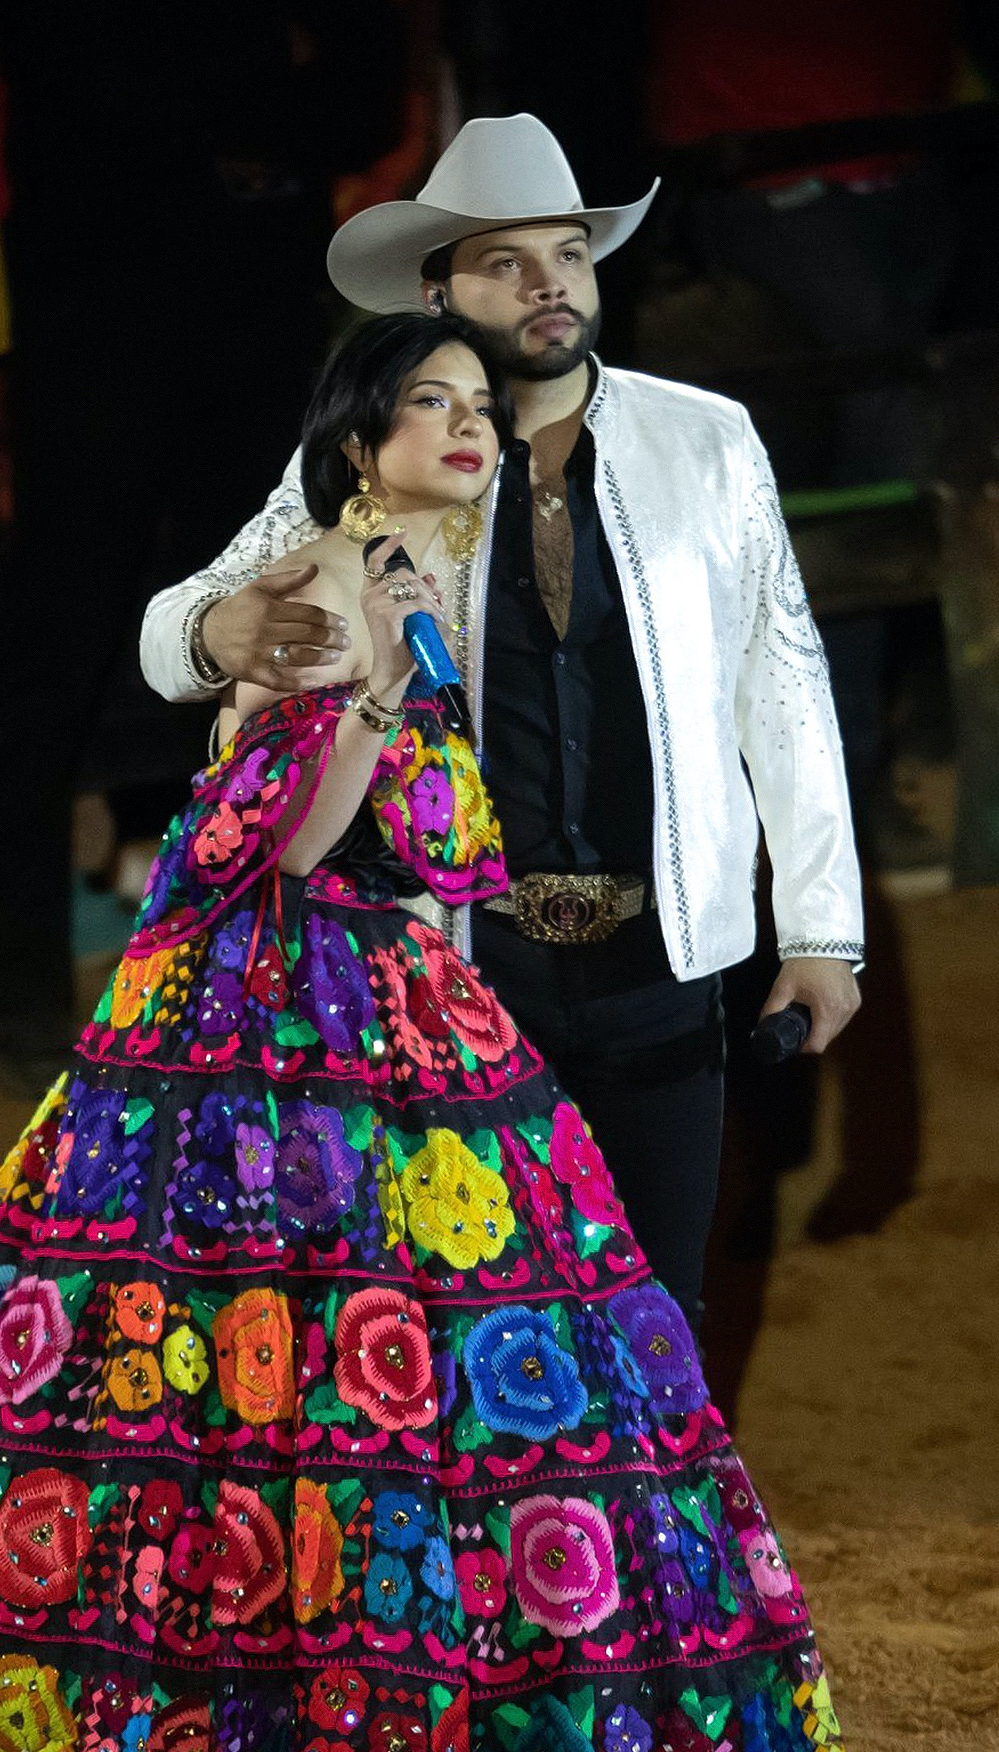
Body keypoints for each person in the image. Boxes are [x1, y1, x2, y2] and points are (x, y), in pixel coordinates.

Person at [0, 313, 856, 1752]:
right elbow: (293, 843)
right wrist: (369, 689)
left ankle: (322, 1729)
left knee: (316, 1379)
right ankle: (318, 1745)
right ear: (359, 441)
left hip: (383, 1000)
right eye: (426, 406)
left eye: (471, 406)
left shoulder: (410, 580)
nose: (464, 426)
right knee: (281, 1368)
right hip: (278, 1016)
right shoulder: (331, 581)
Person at [141, 112, 865, 1334]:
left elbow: (780, 676)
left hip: (664, 963)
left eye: (568, 256)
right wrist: (218, 639)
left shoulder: (705, 441)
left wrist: (822, 929)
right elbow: (177, 627)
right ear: (439, 291)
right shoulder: (385, 457)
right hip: (462, 978)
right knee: (475, 1334)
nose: (548, 288)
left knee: (659, 1322)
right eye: (506, 263)